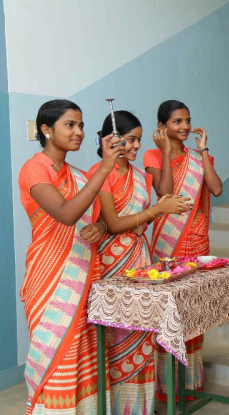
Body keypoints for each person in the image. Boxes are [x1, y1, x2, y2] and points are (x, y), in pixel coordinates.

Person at [17, 99, 125, 413]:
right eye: (70, 125)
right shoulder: (34, 169)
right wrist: (105, 168)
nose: (79, 132)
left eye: (81, 125)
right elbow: (66, 214)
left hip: (84, 275)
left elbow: (98, 218)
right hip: (50, 279)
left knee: (83, 357)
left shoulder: (77, 175)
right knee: (55, 356)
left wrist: (100, 228)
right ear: (46, 130)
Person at [88, 110, 192, 414]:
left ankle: (140, 408)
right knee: (117, 332)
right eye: (131, 140)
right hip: (111, 262)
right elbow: (113, 224)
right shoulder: (100, 172)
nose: (136, 146)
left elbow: (150, 208)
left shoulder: (137, 175)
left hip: (139, 258)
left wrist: (163, 207)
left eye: (138, 140)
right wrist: (157, 211)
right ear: (112, 140)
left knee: (143, 329)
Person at [143, 100, 223, 401]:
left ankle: (189, 384)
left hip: (197, 238)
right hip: (168, 240)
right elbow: (164, 192)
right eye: (177, 121)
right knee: (167, 311)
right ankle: (166, 387)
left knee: (193, 309)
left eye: (188, 120)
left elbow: (216, 189)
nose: (186, 127)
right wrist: (165, 151)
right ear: (162, 126)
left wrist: (203, 151)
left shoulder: (198, 156)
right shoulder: (152, 155)